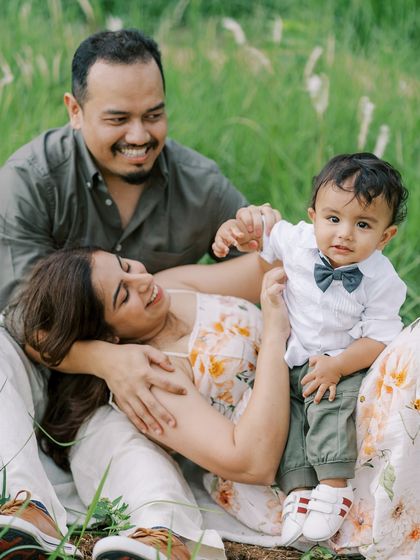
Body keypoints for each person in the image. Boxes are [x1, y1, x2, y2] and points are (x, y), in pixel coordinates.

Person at [0, 28, 279, 560]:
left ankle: (163, 536)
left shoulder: (198, 183)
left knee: (126, 425)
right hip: (38, 368)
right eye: (117, 118)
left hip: (128, 392)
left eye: (153, 114)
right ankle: (20, 508)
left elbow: (263, 266)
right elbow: (21, 322)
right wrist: (107, 358)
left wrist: (264, 230)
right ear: (75, 110)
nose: (139, 134)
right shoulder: (30, 181)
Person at [5, 250, 291, 560]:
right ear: (107, 337)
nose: (141, 280)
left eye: (126, 265)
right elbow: (252, 461)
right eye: (123, 295)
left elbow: (275, 265)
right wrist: (276, 334)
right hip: (297, 444)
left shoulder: (170, 284)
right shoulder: (152, 373)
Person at [213, 153, 409, 546]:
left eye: (363, 225)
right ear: (314, 216)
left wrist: (337, 366)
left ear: (385, 236)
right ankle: (299, 491)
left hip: (346, 361)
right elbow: (260, 238)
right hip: (293, 357)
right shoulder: (298, 240)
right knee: (289, 415)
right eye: (333, 219)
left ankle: (334, 485)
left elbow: (380, 338)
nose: (344, 234)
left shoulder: (382, 280)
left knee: (331, 407)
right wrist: (232, 231)